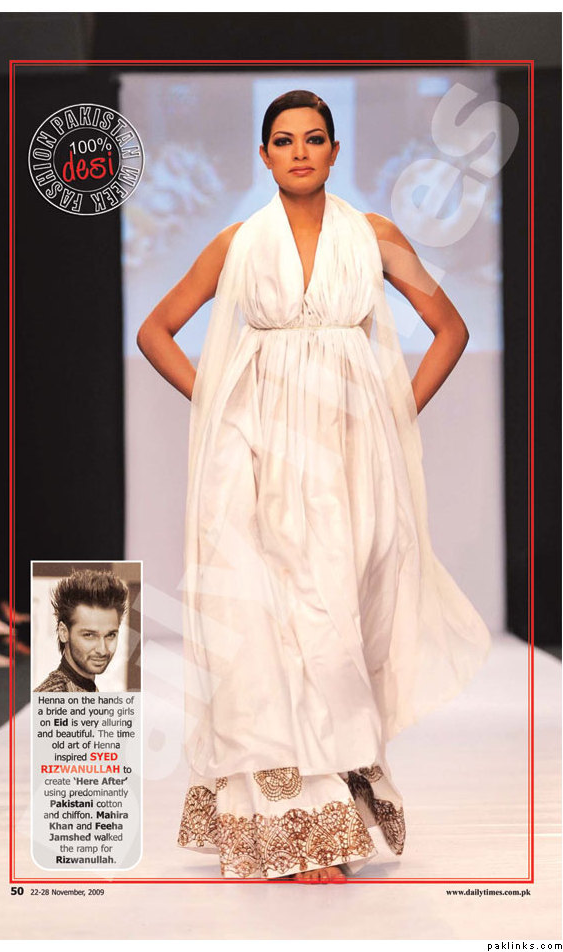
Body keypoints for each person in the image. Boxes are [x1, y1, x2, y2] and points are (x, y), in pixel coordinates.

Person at [137, 90, 491, 883]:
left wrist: (391, 416)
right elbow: (154, 330)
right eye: (284, 140)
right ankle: (296, 828)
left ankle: (336, 804)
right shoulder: (236, 243)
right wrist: (220, 407)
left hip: (349, 458)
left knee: (335, 626)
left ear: (334, 150)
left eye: (314, 138)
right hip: (252, 456)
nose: (300, 151)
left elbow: (452, 329)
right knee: (264, 624)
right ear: (264, 156)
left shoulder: (377, 237)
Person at [34, 569, 128, 693]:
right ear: (63, 632)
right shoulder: (53, 696)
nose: (102, 650)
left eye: (110, 635)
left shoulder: (86, 689)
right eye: (89, 635)